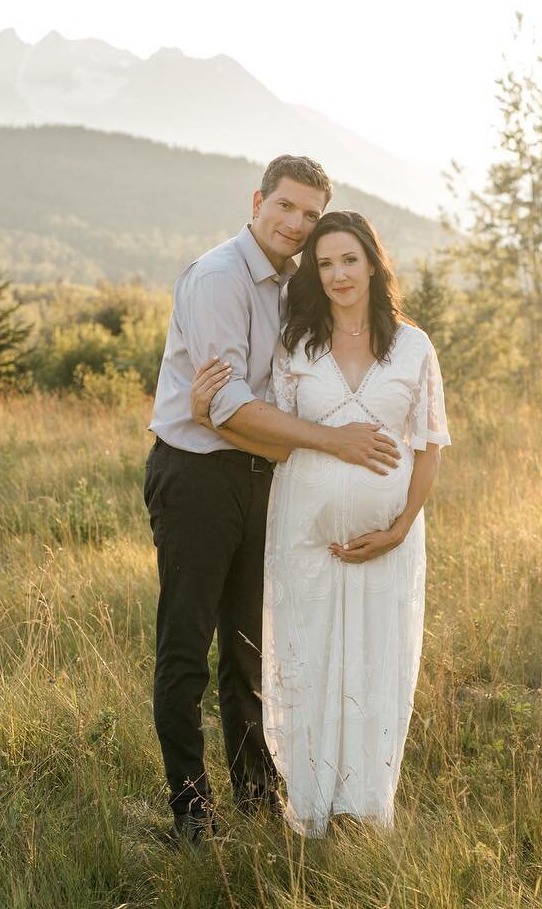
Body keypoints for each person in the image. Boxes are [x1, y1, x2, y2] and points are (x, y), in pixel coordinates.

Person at [144, 157, 402, 845]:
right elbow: (225, 403)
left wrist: (238, 421)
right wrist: (328, 440)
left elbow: (285, 387)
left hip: (262, 478)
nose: (296, 224)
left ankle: (258, 800)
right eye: (285, 207)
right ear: (257, 200)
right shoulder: (219, 279)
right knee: (185, 647)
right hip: (197, 479)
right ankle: (192, 816)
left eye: (310, 214)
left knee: (251, 648)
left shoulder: (298, 285)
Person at [191, 210, 449, 837]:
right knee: (308, 660)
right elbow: (275, 438)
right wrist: (210, 419)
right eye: (324, 263)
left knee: (374, 662)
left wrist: (399, 526)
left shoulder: (413, 347)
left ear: (371, 263)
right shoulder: (298, 344)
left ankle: (363, 805)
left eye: (348, 260)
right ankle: (309, 802)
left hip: (387, 543)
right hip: (303, 534)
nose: (337, 274)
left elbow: (430, 445)